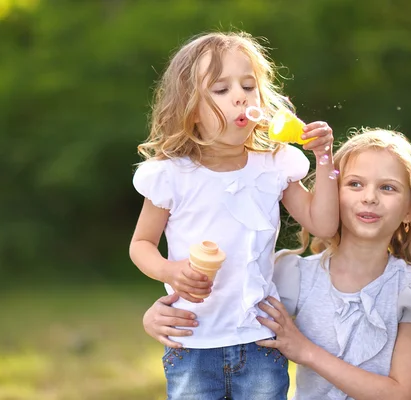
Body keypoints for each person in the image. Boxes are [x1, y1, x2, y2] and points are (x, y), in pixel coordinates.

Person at [143, 128, 411, 400]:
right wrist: (156, 316)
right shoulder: (294, 276)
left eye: (388, 188)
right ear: (331, 194)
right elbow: (223, 304)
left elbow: (400, 394)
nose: (370, 197)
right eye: (355, 184)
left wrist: (305, 351)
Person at [129, 31, 339, 399]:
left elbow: (322, 224)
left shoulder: (274, 164)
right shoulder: (172, 175)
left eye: (248, 85)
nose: (240, 96)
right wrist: (169, 271)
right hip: (192, 340)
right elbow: (141, 244)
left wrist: (324, 158)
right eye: (221, 90)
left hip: (260, 341)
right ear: (190, 109)